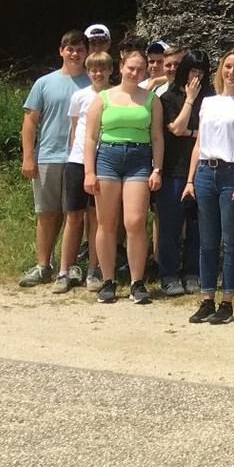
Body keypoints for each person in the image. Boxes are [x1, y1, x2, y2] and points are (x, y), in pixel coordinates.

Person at [185, 49, 234, 324]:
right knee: (207, 241)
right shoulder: (208, 102)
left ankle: (227, 300)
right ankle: (207, 298)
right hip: (206, 171)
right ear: (221, 70)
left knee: (231, 240)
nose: (231, 72)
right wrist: (190, 179)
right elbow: (199, 143)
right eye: (228, 67)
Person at [83, 46, 164, 304]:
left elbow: (157, 137)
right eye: (131, 68)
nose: (135, 73)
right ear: (121, 68)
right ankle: (108, 280)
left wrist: (157, 169)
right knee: (106, 223)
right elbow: (90, 138)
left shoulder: (151, 100)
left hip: (139, 159)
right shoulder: (103, 98)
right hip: (108, 157)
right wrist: (89, 172)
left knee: (135, 221)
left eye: (140, 69)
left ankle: (137, 282)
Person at [18, 29, 90, 286]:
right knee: (47, 213)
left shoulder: (93, 83)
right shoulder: (44, 83)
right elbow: (30, 121)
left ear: (87, 53)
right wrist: (28, 157)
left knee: (74, 214)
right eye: (70, 49)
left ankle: (69, 267)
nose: (75, 54)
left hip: (79, 159)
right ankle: (43, 265)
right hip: (48, 155)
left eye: (80, 50)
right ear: (61, 51)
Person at [53, 51, 111, 293]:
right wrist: (72, 155)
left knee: (97, 218)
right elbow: (75, 129)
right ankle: (64, 271)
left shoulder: (113, 96)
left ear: (110, 71)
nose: (97, 74)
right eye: (93, 70)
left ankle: (93, 270)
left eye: (102, 69)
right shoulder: (79, 96)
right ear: (88, 72)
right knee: (73, 216)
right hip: (77, 161)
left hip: (103, 160)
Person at [154, 51, 205, 297]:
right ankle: (169, 275)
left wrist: (192, 133)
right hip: (173, 169)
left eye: (201, 71)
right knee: (170, 226)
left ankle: (192, 272)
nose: (196, 76)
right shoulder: (168, 97)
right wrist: (190, 100)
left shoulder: (211, 98)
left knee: (197, 226)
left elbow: (208, 132)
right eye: (193, 70)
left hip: (200, 170)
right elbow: (176, 128)